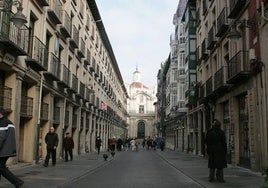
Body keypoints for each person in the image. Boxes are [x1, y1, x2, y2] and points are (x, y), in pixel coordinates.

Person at [0, 108, 24, 188]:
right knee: (1, 167)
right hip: (7, 149)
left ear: (0, 114)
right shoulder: (9, 122)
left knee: (1, 168)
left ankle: (17, 182)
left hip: (3, 150)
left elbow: (1, 137)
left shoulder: (2, 123)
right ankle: (17, 182)